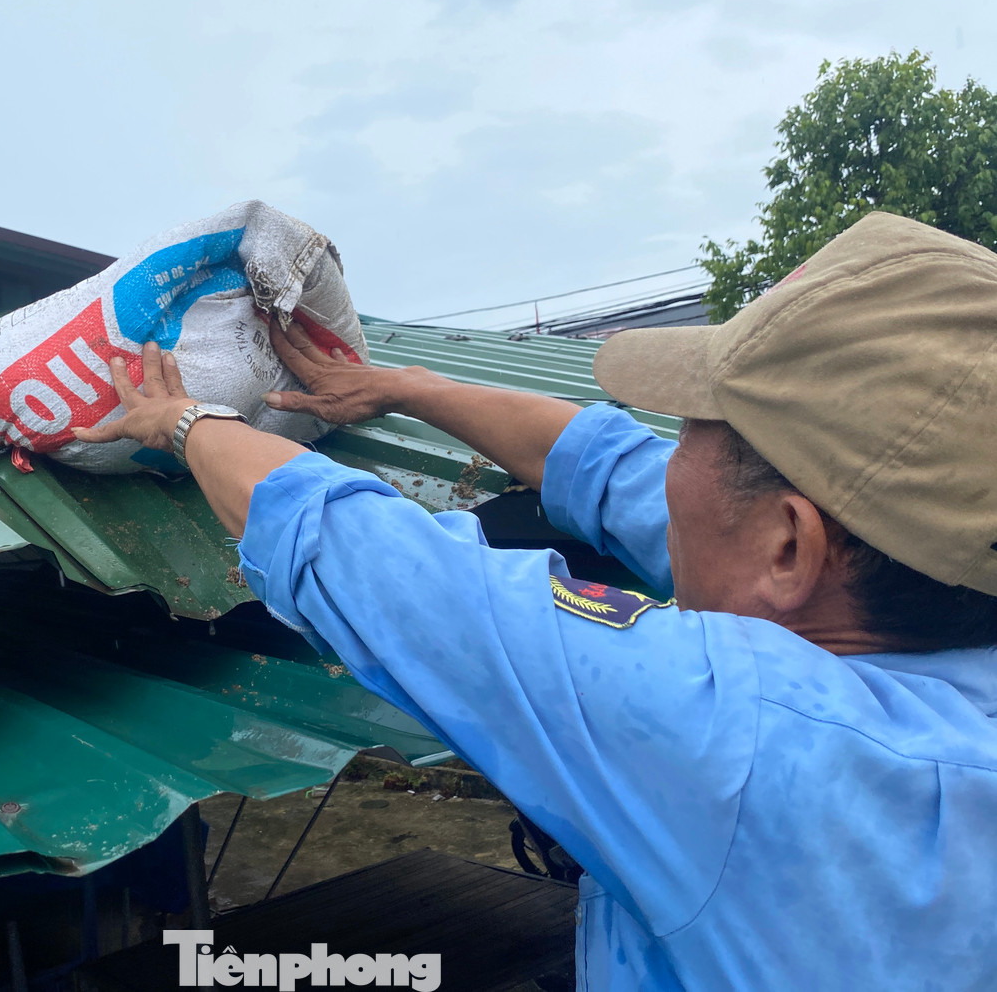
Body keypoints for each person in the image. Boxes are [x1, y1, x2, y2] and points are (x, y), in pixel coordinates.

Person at [73, 212, 997, 990]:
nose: (665, 458)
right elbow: (613, 471)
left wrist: (185, 421)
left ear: (789, 545)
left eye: (689, 432)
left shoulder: (748, 740)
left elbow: (382, 567)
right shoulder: (933, 604)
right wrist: (408, 388)